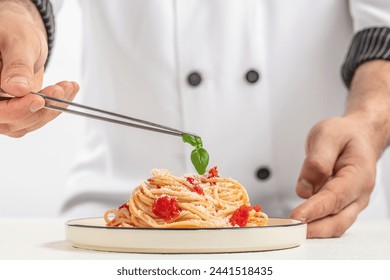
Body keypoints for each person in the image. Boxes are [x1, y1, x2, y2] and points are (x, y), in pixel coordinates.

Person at [0, 0, 389, 238]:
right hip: (123, 224)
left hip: (311, 219)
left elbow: (383, 24)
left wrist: (368, 122)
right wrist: (15, 15)